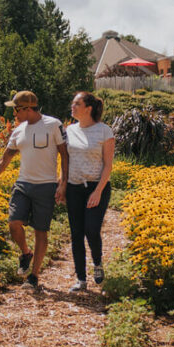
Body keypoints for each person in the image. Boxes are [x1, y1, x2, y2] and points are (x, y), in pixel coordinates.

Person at [0, 90, 68, 289]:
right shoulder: (18, 131)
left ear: (26, 109)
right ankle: (26, 253)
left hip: (46, 185)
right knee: (14, 223)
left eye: (16, 110)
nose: (13, 114)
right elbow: (4, 160)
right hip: (23, 185)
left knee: (41, 231)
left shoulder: (53, 125)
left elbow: (65, 155)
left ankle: (34, 276)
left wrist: (63, 183)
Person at [64, 91, 114, 292]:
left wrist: (98, 191)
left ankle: (98, 262)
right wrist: (62, 185)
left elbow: (108, 166)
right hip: (74, 188)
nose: (72, 107)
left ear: (88, 108)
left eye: (77, 103)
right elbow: (65, 162)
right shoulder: (69, 130)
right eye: (73, 103)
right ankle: (81, 279)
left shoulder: (104, 131)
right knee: (76, 233)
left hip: (96, 187)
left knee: (91, 229)